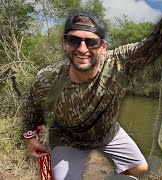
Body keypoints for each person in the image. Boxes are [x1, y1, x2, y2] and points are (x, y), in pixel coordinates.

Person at [22, 10, 149, 179]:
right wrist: (30, 137)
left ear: (103, 47)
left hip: (107, 133)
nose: (83, 49)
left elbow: (151, 45)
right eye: (74, 40)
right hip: (68, 137)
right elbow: (31, 104)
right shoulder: (48, 78)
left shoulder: (117, 67)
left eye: (91, 42)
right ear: (64, 42)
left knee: (140, 168)